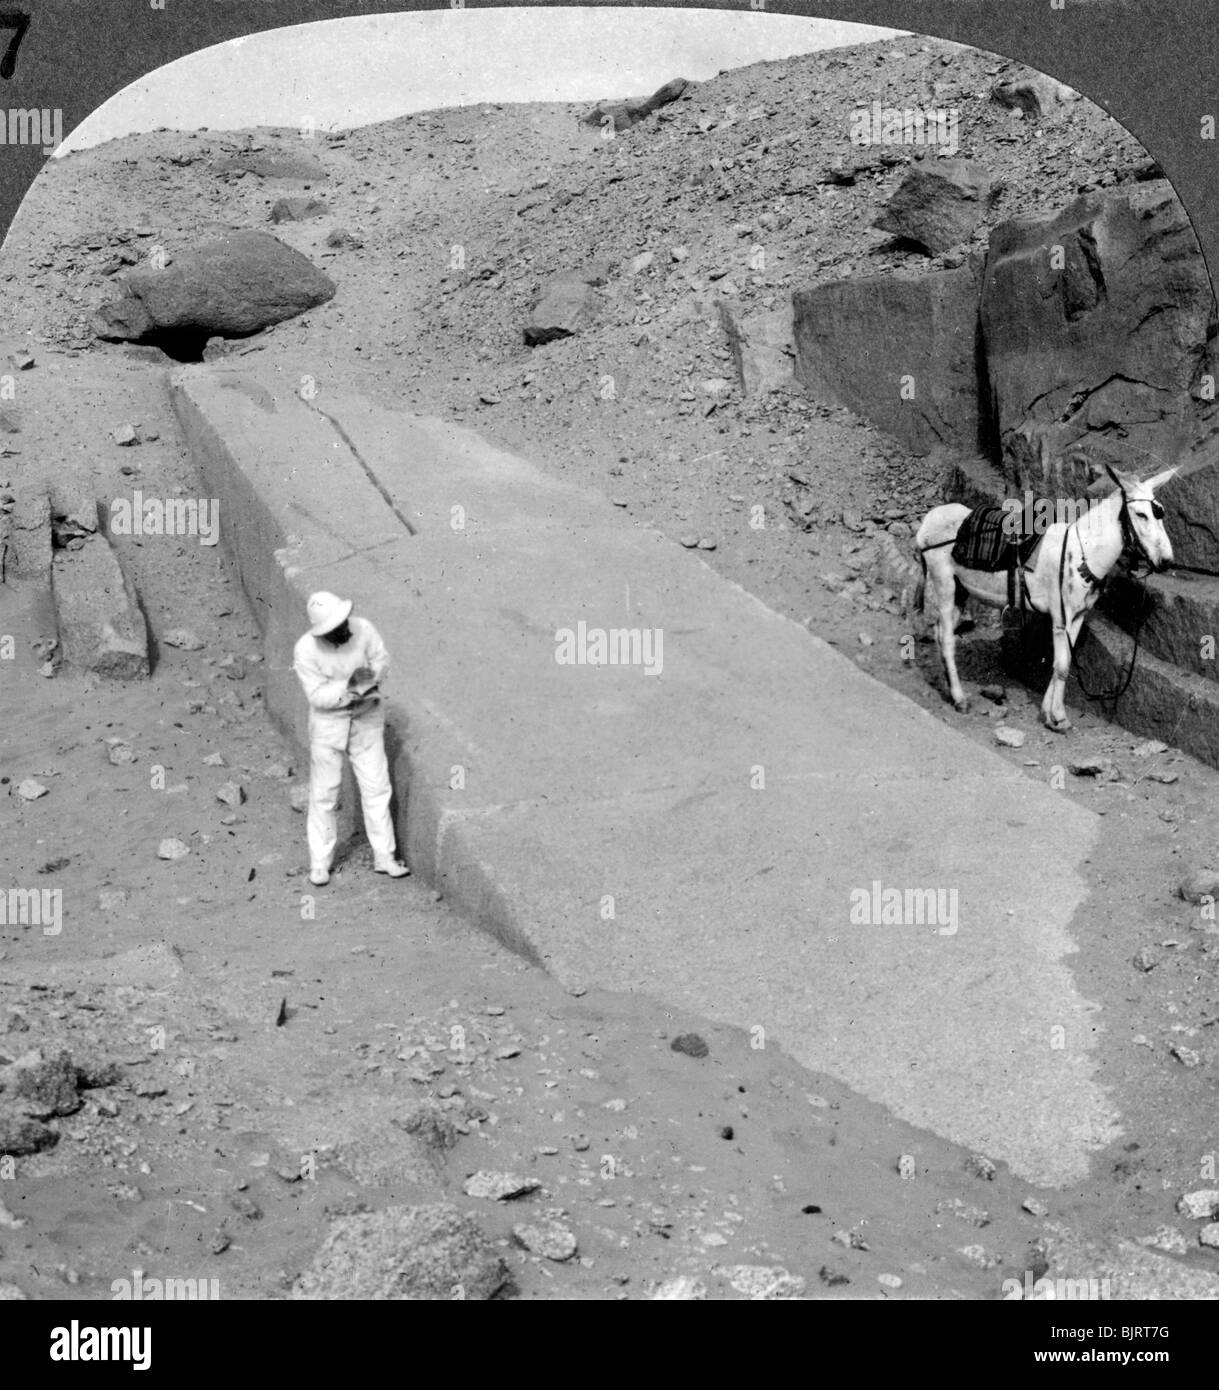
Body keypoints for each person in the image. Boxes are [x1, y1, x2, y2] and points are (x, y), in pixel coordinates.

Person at [292, 591, 410, 887]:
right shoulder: (305, 649)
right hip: (328, 725)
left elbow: (382, 658)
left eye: (343, 622)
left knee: (377, 788)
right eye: (335, 628)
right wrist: (350, 686)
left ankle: (385, 857)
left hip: (366, 718)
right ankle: (320, 864)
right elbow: (317, 696)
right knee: (324, 795)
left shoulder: (364, 629)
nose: (343, 629)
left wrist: (371, 677)